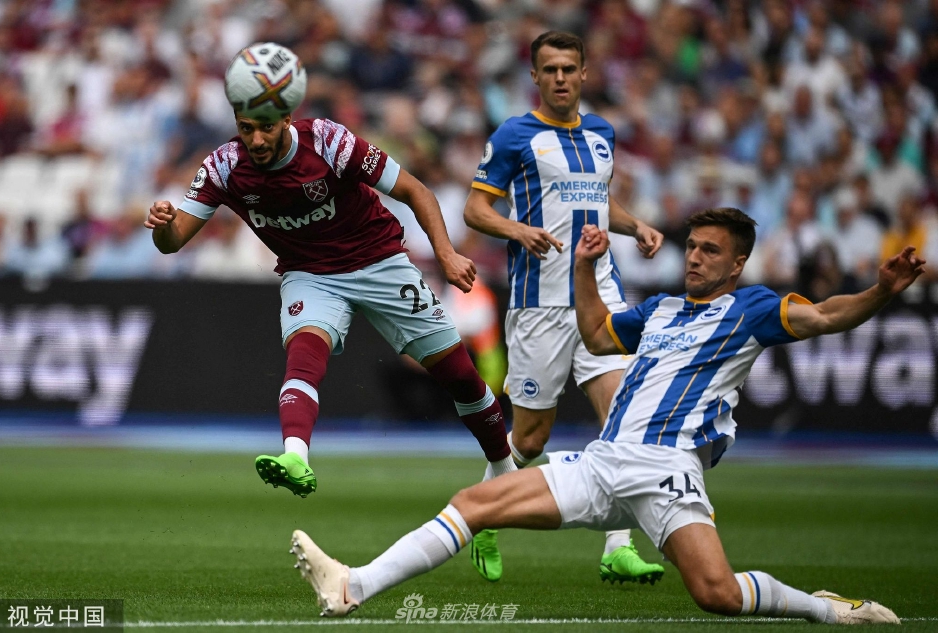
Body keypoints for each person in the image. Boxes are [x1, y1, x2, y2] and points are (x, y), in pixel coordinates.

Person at [291, 208, 913, 625]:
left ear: (737, 265)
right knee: (473, 503)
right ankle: (351, 586)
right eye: (693, 247)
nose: (696, 258)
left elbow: (826, 315)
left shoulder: (751, 309)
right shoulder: (663, 309)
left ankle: (828, 610)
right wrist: (585, 267)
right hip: (604, 461)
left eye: (711, 251)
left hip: (666, 469)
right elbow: (597, 333)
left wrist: (881, 291)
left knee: (717, 594)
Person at [144, 52, 516, 500]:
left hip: (380, 260)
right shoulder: (223, 166)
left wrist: (447, 253)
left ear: (286, 118)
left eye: (266, 127)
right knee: (304, 354)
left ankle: (504, 469)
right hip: (310, 272)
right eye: (246, 128)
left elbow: (415, 190)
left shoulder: (328, 142)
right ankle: (295, 458)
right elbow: (173, 241)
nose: (256, 139)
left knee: (460, 376)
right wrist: (164, 225)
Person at [462, 30, 665, 584]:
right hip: (539, 305)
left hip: (599, 297)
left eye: (568, 69)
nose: (559, 78)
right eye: (549, 69)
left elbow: (596, 198)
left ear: (583, 73)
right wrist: (518, 230)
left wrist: (636, 225)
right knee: (530, 439)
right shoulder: (514, 135)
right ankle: (482, 515)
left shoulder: (602, 133)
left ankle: (617, 547)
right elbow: (475, 210)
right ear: (534, 76)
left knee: (625, 418)